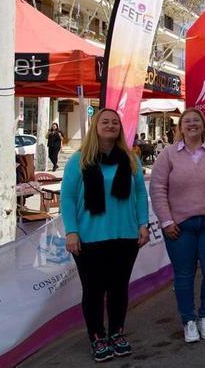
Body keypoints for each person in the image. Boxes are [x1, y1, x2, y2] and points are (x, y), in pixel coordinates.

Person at [60, 108, 149, 362]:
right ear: (95, 127)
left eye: (115, 122)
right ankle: (97, 337)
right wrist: (71, 232)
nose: (110, 125)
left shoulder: (131, 160)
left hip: (125, 236)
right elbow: (66, 198)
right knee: (94, 290)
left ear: (120, 128)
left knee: (119, 289)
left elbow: (140, 194)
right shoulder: (79, 161)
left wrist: (143, 224)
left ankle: (117, 333)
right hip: (89, 238)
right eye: (105, 122)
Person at [149, 108, 205, 343]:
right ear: (180, 128)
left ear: (204, 125)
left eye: (196, 120)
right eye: (186, 121)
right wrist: (166, 221)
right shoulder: (168, 155)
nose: (191, 124)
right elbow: (158, 190)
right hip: (179, 227)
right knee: (184, 275)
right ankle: (188, 320)